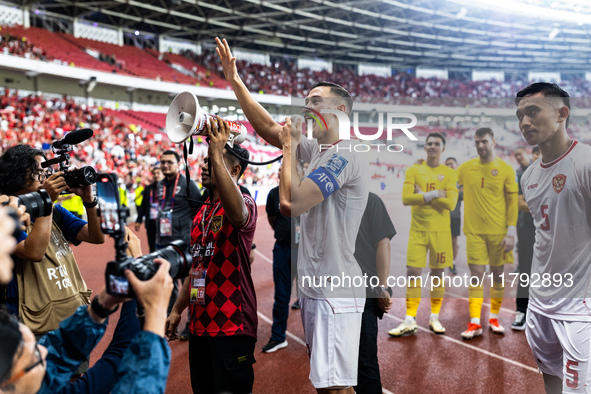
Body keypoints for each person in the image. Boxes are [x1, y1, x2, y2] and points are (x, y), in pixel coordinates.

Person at [217, 37, 369, 393]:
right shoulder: (319, 148)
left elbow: (291, 203)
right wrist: (235, 81)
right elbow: (271, 129)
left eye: (315, 102)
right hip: (318, 286)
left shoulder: (345, 154)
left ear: (341, 111)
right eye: (305, 103)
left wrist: (288, 148)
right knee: (325, 383)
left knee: (337, 388)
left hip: (336, 287)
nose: (306, 108)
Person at [165, 117, 258, 394]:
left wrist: (217, 150)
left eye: (214, 160)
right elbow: (196, 268)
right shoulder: (201, 213)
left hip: (232, 325)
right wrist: (178, 309)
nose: (205, 165)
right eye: (206, 160)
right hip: (200, 327)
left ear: (236, 170)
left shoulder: (246, 206)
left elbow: (237, 213)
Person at [0, 258, 173, 394]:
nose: (44, 351)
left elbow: (58, 354)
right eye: (35, 354)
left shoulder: (18, 382)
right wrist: (155, 314)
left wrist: (100, 307)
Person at [515, 82, 591, 393]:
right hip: (540, 302)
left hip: (579, 305)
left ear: (562, 113)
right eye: (519, 115)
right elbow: (543, 236)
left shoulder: (585, 163)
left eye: (532, 112)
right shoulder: (530, 176)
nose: (524, 122)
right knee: (551, 383)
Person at [0, 145, 105, 342]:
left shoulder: (55, 210)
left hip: (68, 313)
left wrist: (89, 200)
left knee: (77, 372)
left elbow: (97, 236)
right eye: (39, 173)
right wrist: (46, 202)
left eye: (46, 172)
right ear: (17, 174)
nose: (46, 178)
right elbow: (34, 252)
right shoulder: (4, 215)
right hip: (34, 323)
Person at [388, 133, 458, 337]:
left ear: (443, 148)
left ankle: (434, 317)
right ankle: (410, 319)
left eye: (437, 144)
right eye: (429, 143)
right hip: (418, 231)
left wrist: (423, 195)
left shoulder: (450, 174)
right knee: (412, 273)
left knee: (437, 275)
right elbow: (406, 199)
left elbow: (451, 204)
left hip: (441, 232)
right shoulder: (414, 170)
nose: (433, 146)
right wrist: (436, 194)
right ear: (425, 147)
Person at [456, 128, 518, 339]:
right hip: (474, 232)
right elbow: (449, 184)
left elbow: (512, 202)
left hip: (498, 233)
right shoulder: (465, 168)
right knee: (476, 276)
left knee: (498, 275)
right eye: (477, 142)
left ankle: (494, 317)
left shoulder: (506, 169)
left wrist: (511, 232)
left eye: (484, 141)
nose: (480, 145)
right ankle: (475, 322)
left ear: (493, 141)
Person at [156, 149, 202, 336]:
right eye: (163, 162)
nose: (165, 165)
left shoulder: (189, 184)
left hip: (186, 245)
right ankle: (169, 320)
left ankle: (192, 323)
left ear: (178, 164)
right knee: (168, 283)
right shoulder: (159, 186)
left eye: (169, 162)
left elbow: (200, 213)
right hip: (166, 245)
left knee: (190, 284)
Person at [354, 192, 395, 393]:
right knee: (347, 362)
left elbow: (383, 244)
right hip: (336, 291)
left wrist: (381, 287)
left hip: (363, 292)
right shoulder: (326, 197)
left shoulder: (370, 200)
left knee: (364, 360)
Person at [262, 167, 301, 353]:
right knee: (281, 296)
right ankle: (278, 337)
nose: (283, 173)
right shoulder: (273, 193)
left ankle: (316, 339)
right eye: (280, 171)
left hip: (306, 253)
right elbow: (271, 218)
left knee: (313, 297)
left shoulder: (306, 191)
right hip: (283, 250)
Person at [511, 147, 536, 331]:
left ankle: (545, 314)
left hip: (552, 230)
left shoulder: (558, 172)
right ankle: (521, 310)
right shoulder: (524, 175)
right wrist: (546, 206)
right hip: (528, 228)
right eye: (536, 153)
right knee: (525, 271)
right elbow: (520, 203)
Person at [135, 166, 165, 253]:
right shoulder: (148, 188)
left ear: (163, 174)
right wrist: (139, 220)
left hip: (164, 222)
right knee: (152, 247)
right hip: (151, 222)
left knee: (164, 246)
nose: (156, 175)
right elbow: (143, 205)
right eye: (154, 173)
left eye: (158, 173)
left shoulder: (167, 187)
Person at [445, 157, 462, 275]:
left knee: (453, 240)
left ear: (457, 165)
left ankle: (452, 262)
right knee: (441, 240)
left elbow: (462, 194)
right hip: (441, 215)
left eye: (451, 164)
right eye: (447, 164)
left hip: (455, 215)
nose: (449, 166)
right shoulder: (441, 178)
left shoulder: (460, 180)